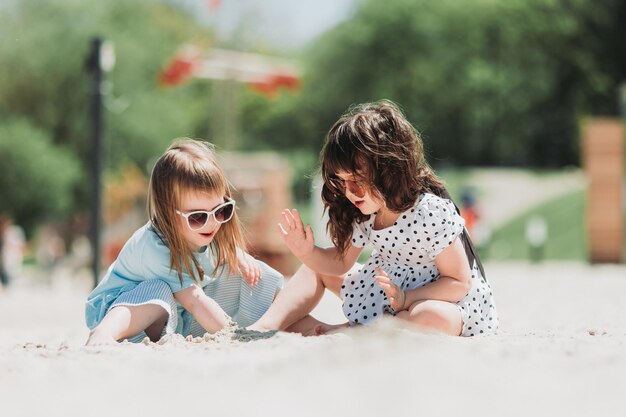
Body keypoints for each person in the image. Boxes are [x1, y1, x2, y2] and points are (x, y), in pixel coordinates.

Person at [249, 101, 498, 337]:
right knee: (314, 269)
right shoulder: (365, 213)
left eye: (356, 181)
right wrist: (306, 252)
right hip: (387, 291)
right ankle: (266, 326)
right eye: (340, 181)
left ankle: (352, 330)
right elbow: (340, 263)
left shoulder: (430, 212)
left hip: (440, 300)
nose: (348, 192)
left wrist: (407, 298)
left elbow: (458, 283)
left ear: (389, 170)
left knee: (431, 315)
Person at [85, 139, 283, 345]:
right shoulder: (154, 247)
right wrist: (232, 335)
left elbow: (202, 293)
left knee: (252, 274)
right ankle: (104, 333)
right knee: (158, 290)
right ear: (168, 213)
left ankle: (292, 320)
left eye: (221, 210)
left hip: (177, 317)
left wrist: (240, 257)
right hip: (124, 314)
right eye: (197, 217)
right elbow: (195, 300)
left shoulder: (207, 231)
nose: (212, 223)